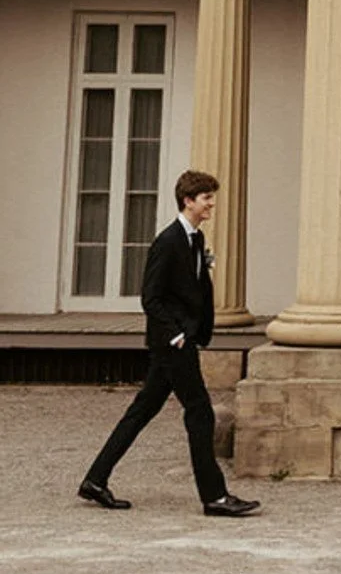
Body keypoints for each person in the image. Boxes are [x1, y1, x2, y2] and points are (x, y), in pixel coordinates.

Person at [78, 169, 260, 517]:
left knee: (142, 410)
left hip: (179, 340)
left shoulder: (194, 239)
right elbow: (150, 297)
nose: (212, 204)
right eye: (207, 198)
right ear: (188, 200)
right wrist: (176, 334)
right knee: (200, 412)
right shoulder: (168, 241)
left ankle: (95, 480)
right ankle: (215, 496)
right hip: (173, 343)